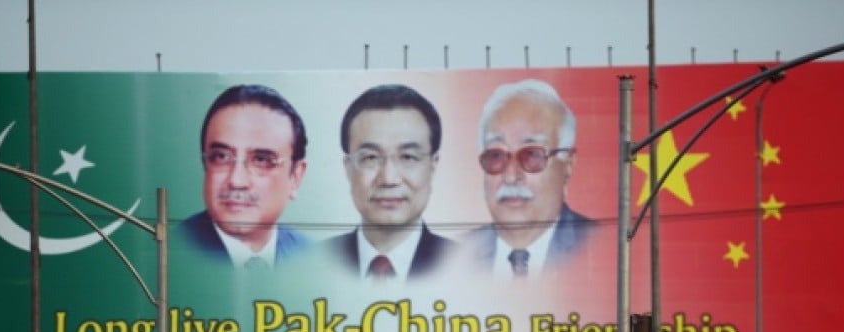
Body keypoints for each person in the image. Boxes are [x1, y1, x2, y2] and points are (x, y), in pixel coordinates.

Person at [322, 84, 457, 282]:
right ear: (348, 168)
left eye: (408, 157)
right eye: (370, 158)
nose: (388, 179)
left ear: (433, 165)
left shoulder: (467, 266)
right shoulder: (311, 263)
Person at [467, 78, 596, 279]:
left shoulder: (599, 246)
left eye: (532, 155)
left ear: (568, 164)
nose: (511, 177)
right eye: (496, 156)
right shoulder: (455, 254)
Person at [175, 84, 310, 270]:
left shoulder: (312, 257)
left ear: (295, 176)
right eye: (221, 157)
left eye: (261, 160)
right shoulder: (167, 252)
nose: (236, 181)